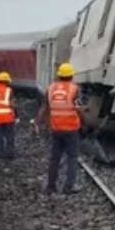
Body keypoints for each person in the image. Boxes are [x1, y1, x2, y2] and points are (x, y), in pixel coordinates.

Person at [34, 63, 82, 195]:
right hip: (71, 128)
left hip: (56, 128)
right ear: (71, 75)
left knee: (55, 158)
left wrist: (37, 122)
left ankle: (51, 186)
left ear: (59, 75)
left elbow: (44, 107)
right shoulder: (75, 89)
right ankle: (69, 187)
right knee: (72, 157)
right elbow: (79, 108)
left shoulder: (51, 88)